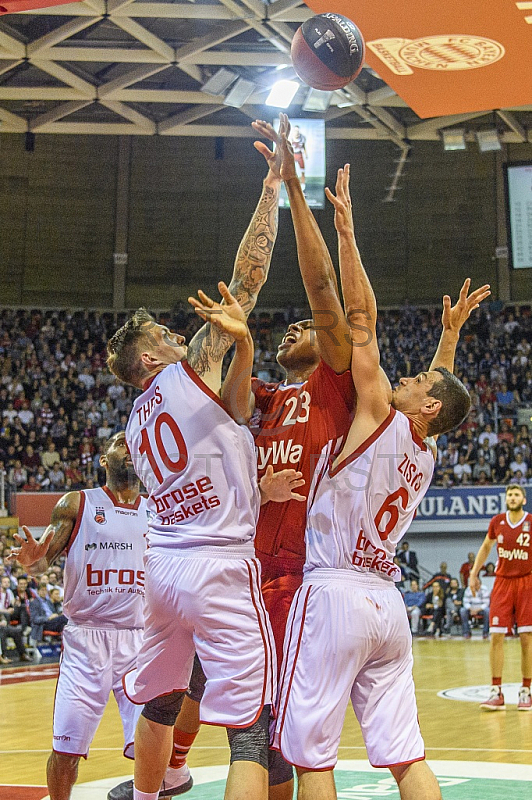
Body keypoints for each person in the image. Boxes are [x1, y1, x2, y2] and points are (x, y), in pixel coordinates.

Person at [109, 114, 355, 800]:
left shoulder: (134, 425)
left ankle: (148, 795)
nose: (176, 331)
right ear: (152, 358)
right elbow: (246, 278)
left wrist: (256, 483)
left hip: (162, 564)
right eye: (164, 332)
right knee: (250, 724)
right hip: (220, 563)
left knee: (161, 700)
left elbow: (207, 461)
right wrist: (274, 186)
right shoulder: (191, 370)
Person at [272, 164, 490, 800]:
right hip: (388, 608)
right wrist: (447, 341)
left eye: (420, 380)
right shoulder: (425, 450)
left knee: (313, 757)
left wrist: (346, 229)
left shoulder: (375, 415)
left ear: (422, 406)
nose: (412, 377)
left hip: (334, 592)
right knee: (405, 755)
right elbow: (439, 397)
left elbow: (359, 318)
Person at [9, 432, 151, 800]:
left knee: (153, 747)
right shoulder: (77, 503)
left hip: (141, 640)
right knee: (65, 749)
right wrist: (31, 563)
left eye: (133, 442)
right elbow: (43, 562)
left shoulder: (159, 510)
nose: (128, 447)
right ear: (103, 460)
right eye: (119, 443)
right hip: (86, 640)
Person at [469, 484, 532, 711]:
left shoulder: (530, 522)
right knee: (496, 637)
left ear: (524, 500)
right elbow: (486, 547)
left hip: (527, 582)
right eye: (509, 495)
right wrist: (474, 573)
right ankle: (496, 691)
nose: (512, 498)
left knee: (527, 638)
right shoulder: (497, 522)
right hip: (503, 583)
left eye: (516, 495)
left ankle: (526, 691)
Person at [290, 125, 307, 190]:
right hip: (293, 155)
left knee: (302, 170)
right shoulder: (290, 138)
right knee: (292, 171)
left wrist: (306, 154)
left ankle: (302, 185)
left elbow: (303, 146)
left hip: (300, 154)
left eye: (297, 130)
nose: (296, 132)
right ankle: (292, 185)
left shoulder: (302, 138)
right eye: (295, 130)